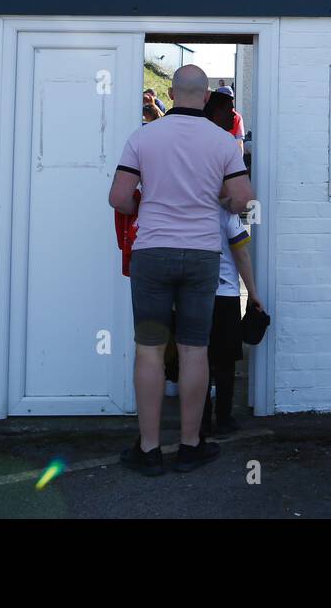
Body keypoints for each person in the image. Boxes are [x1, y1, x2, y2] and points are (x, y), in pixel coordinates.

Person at [108, 65, 254, 477]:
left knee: (150, 350)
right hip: (202, 255)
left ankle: (149, 450)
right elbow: (243, 199)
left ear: (170, 94)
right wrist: (218, 203)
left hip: (152, 253)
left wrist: (150, 205)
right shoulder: (223, 141)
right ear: (206, 97)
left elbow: (119, 198)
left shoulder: (143, 136)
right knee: (194, 350)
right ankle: (191, 445)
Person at [200, 89, 265, 435]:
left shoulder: (187, 207)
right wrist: (252, 292)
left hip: (191, 293)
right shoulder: (227, 211)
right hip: (224, 293)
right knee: (224, 362)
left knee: (195, 359)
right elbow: (240, 250)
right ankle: (222, 419)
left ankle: (195, 420)